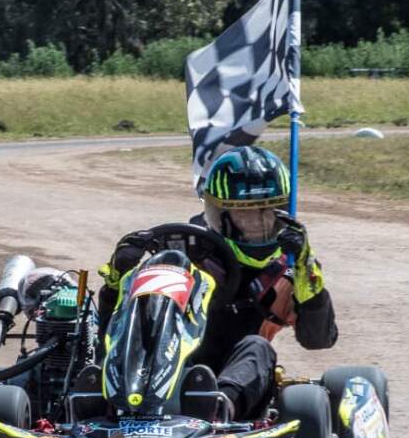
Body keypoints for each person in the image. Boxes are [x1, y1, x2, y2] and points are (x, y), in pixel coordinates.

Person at [97, 146, 337, 420]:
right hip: (161, 366)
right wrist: (119, 277)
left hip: (233, 387)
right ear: (219, 214)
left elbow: (317, 339)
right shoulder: (189, 253)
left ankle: (215, 411)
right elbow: (111, 325)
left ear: (282, 213)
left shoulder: (285, 270)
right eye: (244, 215)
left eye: (267, 213)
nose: (257, 224)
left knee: (258, 347)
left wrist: (306, 265)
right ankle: (110, 395)